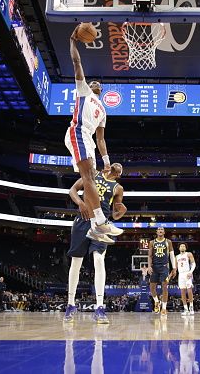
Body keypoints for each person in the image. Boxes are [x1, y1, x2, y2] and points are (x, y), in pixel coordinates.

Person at [65, 26, 123, 243]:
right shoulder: (83, 91)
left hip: (87, 138)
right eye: (93, 82)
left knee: (92, 178)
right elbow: (77, 63)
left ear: (103, 90)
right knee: (89, 177)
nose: (95, 83)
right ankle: (99, 222)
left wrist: (106, 161)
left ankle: (95, 227)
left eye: (99, 83)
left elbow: (101, 139)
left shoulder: (103, 111)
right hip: (77, 131)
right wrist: (73, 41)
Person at [64, 164, 127, 324]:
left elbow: (115, 213)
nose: (117, 165)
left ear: (119, 174)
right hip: (83, 220)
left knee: (99, 260)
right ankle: (70, 304)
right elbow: (72, 190)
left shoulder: (118, 188)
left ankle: (99, 307)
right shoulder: (93, 173)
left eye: (119, 168)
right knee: (76, 262)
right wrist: (80, 202)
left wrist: (121, 213)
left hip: (101, 223)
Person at [147, 227, 176, 315]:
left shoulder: (168, 242)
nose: (160, 230)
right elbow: (150, 256)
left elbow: (172, 255)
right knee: (152, 287)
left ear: (164, 232)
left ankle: (163, 308)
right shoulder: (152, 242)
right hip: (154, 267)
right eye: (159, 229)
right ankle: (156, 301)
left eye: (162, 229)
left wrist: (174, 268)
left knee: (164, 286)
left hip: (164, 267)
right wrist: (149, 266)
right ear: (156, 232)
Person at [175, 243, 196, 315]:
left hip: (187, 273)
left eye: (184, 246)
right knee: (182, 292)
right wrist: (172, 274)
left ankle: (191, 307)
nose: (182, 247)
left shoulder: (189, 254)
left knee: (189, 290)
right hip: (180, 274)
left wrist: (190, 272)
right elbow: (175, 268)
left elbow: (193, 264)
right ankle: (185, 309)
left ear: (185, 248)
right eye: (181, 246)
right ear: (179, 248)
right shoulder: (177, 257)